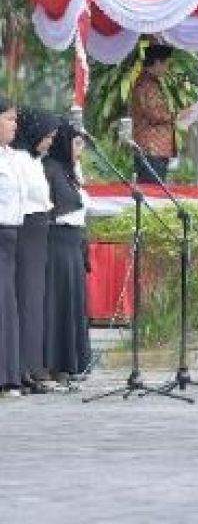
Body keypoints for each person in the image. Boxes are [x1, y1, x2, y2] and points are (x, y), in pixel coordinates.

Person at [42, 119, 91, 384]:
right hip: (57, 243)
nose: (80, 149)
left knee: (73, 304)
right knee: (58, 305)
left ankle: (72, 363)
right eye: (76, 143)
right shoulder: (50, 169)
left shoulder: (71, 171)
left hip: (73, 243)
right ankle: (55, 365)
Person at [12, 109, 57, 393]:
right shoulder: (17, 159)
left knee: (35, 302)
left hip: (39, 230)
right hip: (27, 229)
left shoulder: (32, 159)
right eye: (47, 136)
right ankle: (23, 367)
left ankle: (32, 366)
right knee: (26, 301)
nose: (50, 142)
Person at [0, 98, 24, 398]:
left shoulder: (12, 156)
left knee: (8, 307)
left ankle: (8, 374)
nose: (14, 125)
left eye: (15, 119)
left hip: (11, 236)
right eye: (8, 118)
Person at [130, 43, 178, 183]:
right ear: (157, 62)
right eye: (166, 64)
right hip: (152, 149)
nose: (167, 68)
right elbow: (154, 114)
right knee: (152, 193)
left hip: (154, 149)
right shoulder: (147, 84)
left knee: (154, 191)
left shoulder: (149, 82)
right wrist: (179, 116)